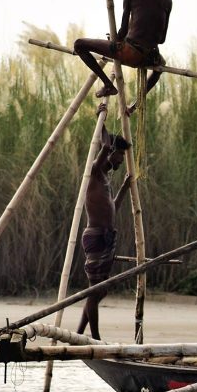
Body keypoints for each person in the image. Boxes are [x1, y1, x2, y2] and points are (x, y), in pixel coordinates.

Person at [73, 0, 173, 101]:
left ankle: (108, 85)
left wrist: (114, 41)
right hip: (152, 58)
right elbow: (161, 39)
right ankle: (137, 102)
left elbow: (122, 31)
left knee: (79, 44)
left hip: (131, 54)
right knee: (161, 67)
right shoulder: (168, 1)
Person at [77, 104, 131, 341]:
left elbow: (113, 209)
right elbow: (106, 145)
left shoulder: (106, 180)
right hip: (96, 236)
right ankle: (95, 337)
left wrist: (125, 188)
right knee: (96, 289)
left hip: (106, 236)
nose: (120, 162)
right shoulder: (96, 172)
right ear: (111, 154)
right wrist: (102, 117)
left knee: (100, 289)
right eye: (120, 157)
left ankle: (79, 333)